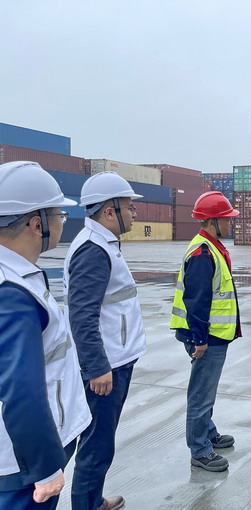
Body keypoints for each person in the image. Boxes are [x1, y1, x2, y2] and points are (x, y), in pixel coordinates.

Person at [0, 161, 91, 509]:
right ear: (37, 224)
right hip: (21, 464)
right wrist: (45, 467)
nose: (61, 222)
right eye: (59, 215)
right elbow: (20, 389)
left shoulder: (16, 276)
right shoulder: (12, 292)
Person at [64, 171, 147, 510]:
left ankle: (92, 500)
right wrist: (97, 367)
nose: (135, 213)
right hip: (106, 365)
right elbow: (82, 315)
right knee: (96, 444)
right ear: (110, 211)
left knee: (100, 441)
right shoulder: (93, 250)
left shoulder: (104, 244)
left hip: (115, 358)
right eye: (130, 207)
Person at [170, 192, 241, 472]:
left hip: (213, 334)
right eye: (227, 219)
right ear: (213, 221)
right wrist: (200, 339)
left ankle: (208, 432)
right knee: (201, 393)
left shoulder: (210, 247)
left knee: (206, 389)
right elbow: (196, 301)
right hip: (206, 337)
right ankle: (200, 450)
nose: (231, 224)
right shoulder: (203, 253)